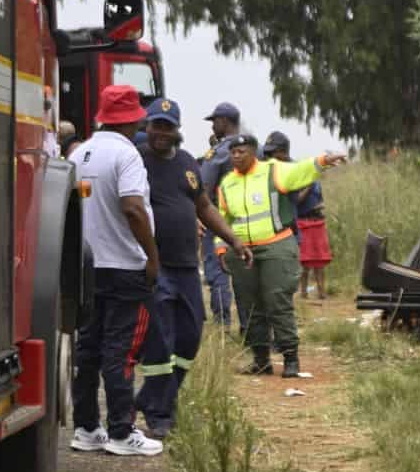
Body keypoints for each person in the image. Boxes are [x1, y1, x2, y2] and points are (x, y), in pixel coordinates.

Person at [134, 98, 252, 437]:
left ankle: (150, 397)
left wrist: (234, 240)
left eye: (167, 126)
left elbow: (204, 205)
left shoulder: (187, 163)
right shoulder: (138, 162)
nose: (160, 132)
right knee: (161, 342)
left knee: (189, 340)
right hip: (156, 267)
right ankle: (160, 416)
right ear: (148, 127)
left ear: (176, 131)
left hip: (187, 267)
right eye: (155, 125)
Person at [69, 85, 167, 457]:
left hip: (88, 266)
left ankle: (86, 427)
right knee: (121, 352)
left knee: (88, 350)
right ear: (133, 119)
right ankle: (122, 433)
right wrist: (152, 257)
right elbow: (133, 208)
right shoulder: (126, 156)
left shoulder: (81, 154)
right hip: (125, 267)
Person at [216, 131, 346, 377]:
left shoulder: (273, 170)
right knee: (250, 305)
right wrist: (221, 247)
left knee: (277, 302)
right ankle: (261, 359)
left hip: (276, 245)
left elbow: (302, 171)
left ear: (253, 152)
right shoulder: (227, 184)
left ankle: (290, 359)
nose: (236, 156)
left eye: (241, 152)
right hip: (242, 251)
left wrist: (324, 161)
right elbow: (222, 218)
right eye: (232, 152)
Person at [262, 131, 334, 300]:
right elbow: (297, 200)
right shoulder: (275, 173)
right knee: (304, 261)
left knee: (317, 260)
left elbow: (311, 198)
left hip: (310, 222)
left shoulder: (297, 171)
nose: (270, 157)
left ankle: (319, 292)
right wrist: (307, 185)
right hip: (298, 223)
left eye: (274, 153)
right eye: (268, 154)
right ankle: (300, 293)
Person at [198, 102, 247, 330]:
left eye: (214, 122)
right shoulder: (251, 148)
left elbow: (204, 191)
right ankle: (250, 327)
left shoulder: (217, 153)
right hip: (249, 222)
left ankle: (222, 327)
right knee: (247, 275)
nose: (212, 127)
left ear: (224, 122)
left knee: (217, 272)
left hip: (218, 222)